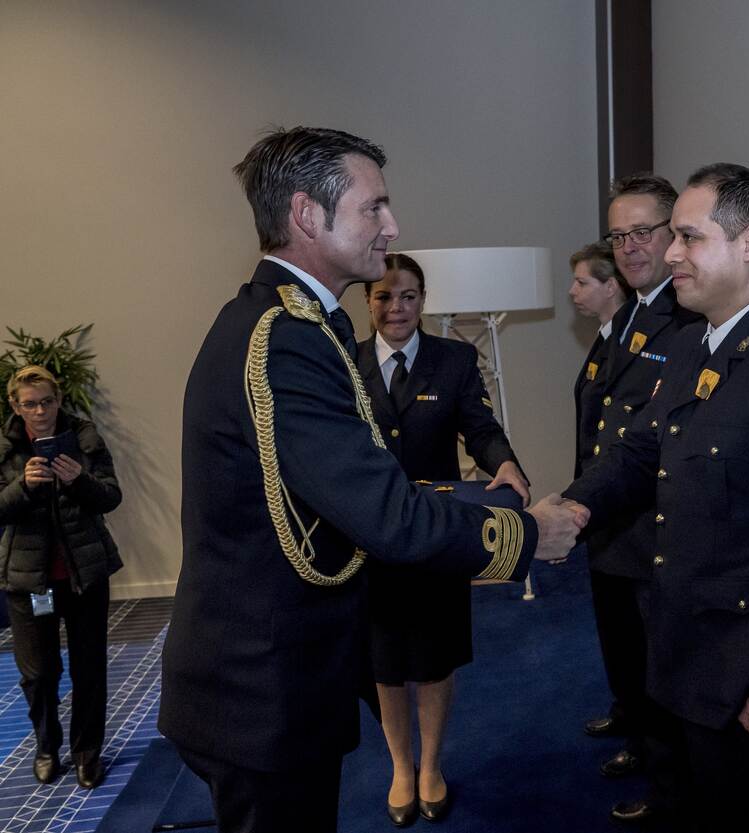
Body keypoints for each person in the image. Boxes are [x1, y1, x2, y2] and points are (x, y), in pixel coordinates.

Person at [159, 126, 585, 833]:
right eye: (373, 207)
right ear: (307, 214)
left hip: (275, 669)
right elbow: (388, 515)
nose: (393, 226)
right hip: (263, 687)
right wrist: (528, 534)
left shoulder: (286, 323)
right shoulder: (285, 338)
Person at [565, 163, 749, 833]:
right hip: (690, 653)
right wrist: (572, 509)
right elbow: (642, 450)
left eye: (689, 237)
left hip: (747, 677)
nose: (671, 254)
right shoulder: (697, 344)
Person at [357, 252, 531, 826]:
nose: (396, 307)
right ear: (367, 302)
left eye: (408, 296)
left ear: (423, 301)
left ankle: (431, 765)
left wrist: (504, 463)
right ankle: (400, 768)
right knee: (385, 661)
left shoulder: (454, 359)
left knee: (433, 658)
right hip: (371, 537)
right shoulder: (345, 363)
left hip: (437, 535)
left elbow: (480, 428)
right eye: (384, 296)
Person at [577, 174, 702, 823]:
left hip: (653, 528)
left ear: (673, 233)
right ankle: (643, 745)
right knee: (628, 656)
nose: (628, 247)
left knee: (662, 671)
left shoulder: (687, 316)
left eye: (642, 232)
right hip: (613, 523)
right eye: (617, 236)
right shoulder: (629, 313)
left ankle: (668, 795)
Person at [0, 365, 121, 790]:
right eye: (30, 404)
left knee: (89, 668)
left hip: (83, 574)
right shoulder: (5, 447)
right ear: (15, 405)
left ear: (59, 400)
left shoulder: (84, 437)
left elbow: (110, 497)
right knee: (38, 672)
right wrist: (24, 486)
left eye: (47, 402)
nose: (40, 411)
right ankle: (46, 748)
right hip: (28, 580)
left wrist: (78, 480)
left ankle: (87, 754)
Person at [568, 241, 629, 480]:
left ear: (610, 286)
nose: (572, 291)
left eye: (582, 283)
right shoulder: (605, 337)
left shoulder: (624, 342)